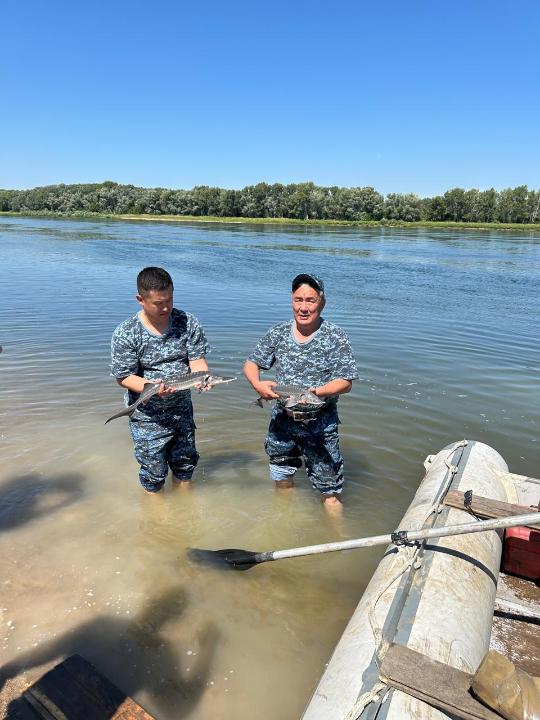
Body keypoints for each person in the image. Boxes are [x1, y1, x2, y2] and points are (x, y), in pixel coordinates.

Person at [244, 273, 358, 510]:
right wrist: (257, 384)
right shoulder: (278, 332)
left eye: (310, 300)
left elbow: (346, 382)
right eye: (298, 300)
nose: (303, 307)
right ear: (291, 300)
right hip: (282, 423)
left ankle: (336, 541)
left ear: (322, 302)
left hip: (320, 426)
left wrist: (318, 391)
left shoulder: (335, 336)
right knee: (282, 478)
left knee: (331, 492)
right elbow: (251, 363)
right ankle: (286, 522)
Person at [110, 266, 210, 494]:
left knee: (185, 468)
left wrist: (203, 378)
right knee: (153, 477)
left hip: (182, 413)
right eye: (158, 303)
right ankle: (158, 523)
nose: (166, 307)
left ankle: (183, 514)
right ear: (140, 299)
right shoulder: (127, 332)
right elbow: (123, 377)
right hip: (148, 418)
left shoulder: (187, 322)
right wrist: (153, 389)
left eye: (169, 300)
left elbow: (197, 361)